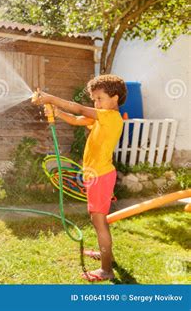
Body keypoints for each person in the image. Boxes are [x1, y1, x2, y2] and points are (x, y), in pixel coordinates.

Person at [32, 75, 127, 281]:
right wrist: (56, 111)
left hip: (101, 176)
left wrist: (51, 98)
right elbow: (77, 119)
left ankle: (106, 270)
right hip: (97, 175)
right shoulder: (102, 117)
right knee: (98, 220)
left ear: (115, 98)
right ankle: (105, 255)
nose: (96, 103)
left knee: (98, 220)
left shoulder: (111, 118)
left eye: (99, 98)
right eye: (94, 100)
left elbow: (80, 110)